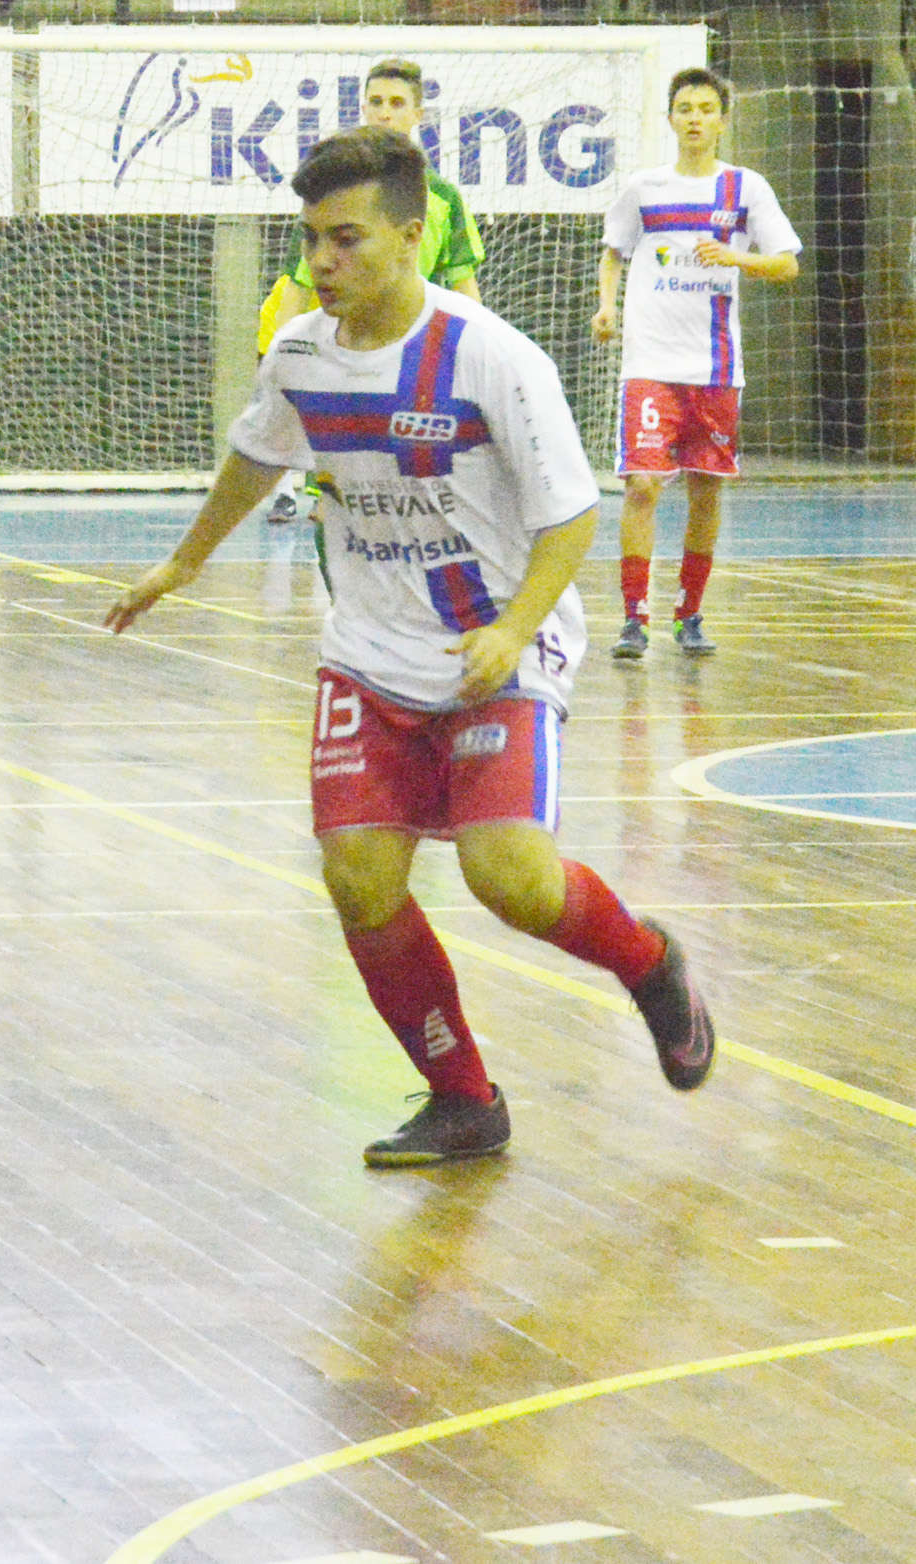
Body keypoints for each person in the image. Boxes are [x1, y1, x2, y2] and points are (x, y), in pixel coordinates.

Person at [106, 128, 714, 1168]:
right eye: (310, 241)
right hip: (367, 653)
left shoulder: (488, 355)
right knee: (358, 876)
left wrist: (514, 629)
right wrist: (184, 561)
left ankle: (650, 962)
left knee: (508, 877)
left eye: (345, 239)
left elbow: (570, 516)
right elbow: (255, 459)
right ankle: (462, 1096)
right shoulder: (300, 352)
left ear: (410, 232)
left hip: (495, 646)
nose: (322, 262)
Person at [591, 67, 800, 659]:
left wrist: (738, 258)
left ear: (722, 119)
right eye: (685, 108)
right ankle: (634, 617)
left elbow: (786, 264)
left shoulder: (745, 189)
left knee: (706, 493)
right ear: (670, 117)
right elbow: (614, 251)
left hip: (714, 369)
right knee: (643, 487)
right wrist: (606, 307)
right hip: (650, 365)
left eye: (706, 109)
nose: (695, 119)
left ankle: (691, 614)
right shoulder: (644, 188)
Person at [259, 58, 486, 531]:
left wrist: (478, 347)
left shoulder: (442, 197)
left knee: (404, 498)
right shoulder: (336, 192)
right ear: (363, 108)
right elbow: (300, 282)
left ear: (418, 114)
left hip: (410, 357)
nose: (385, 112)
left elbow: (463, 280)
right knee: (335, 505)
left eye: (397, 103)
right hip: (343, 351)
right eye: (376, 102)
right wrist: (284, 355)